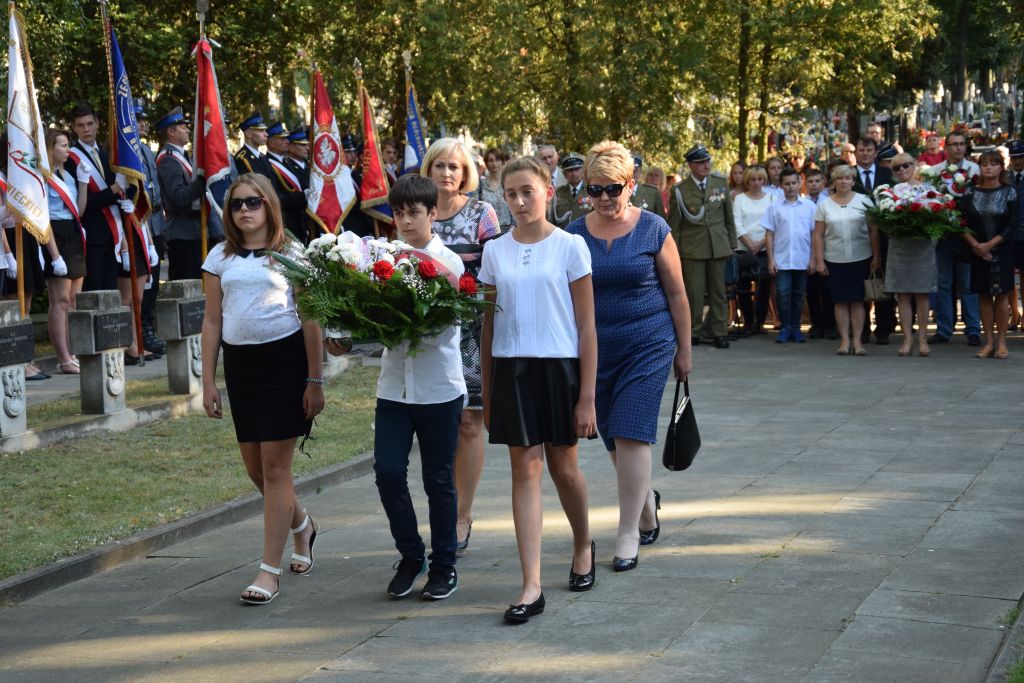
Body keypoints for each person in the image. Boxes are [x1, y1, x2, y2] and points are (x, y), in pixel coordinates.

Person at [328, 174, 466, 600]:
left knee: (438, 480)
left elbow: (444, 328)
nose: (405, 221)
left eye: (414, 213)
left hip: (439, 388)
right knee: (388, 473)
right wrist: (348, 335)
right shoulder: (380, 260)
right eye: (399, 213)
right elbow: (364, 317)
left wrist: (402, 319)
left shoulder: (449, 264)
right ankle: (411, 555)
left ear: (433, 213)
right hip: (393, 389)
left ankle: (444, 566)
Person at [478, 156, 597, 623]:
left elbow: (586, 326)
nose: (519, 201)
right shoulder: (494, 252)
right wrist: (488, 389)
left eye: (527, 191)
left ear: (547, 190)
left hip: (560, 368)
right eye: (511, 194)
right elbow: (488, 327)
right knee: (524, 469)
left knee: (564, 468)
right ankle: (531, 585)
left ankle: (583, 542)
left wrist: (587, 396)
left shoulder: (570, 246)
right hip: (512, 370)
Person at [566, 140, 692, 571]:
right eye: (594, 189)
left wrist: (685, 350)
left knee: (631, 431)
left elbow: (677, 294)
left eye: (612, 189)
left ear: (630, 185)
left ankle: (627, 533)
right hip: (596, 349)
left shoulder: (654, 228)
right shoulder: (574, 234)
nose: (603, 198)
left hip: (648, 343)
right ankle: (645, 505)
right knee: (611, 437)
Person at [201, 174, 325, 605]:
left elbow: (311, 317)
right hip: (242, 367)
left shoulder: (291, 253)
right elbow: (212, 320)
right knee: (256, 470)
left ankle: (268, 571)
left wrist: (315, 380)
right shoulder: (219, 256)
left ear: (269, 205)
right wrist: (208, 381)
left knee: (276, 469)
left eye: (253, 202)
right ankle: (303, 526)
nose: (244, 210)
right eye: (236, 204)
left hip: (285, 363)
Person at [421, 138, 501, 556]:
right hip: (426, 335)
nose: (447, 173)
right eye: (440, 165)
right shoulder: (418, 210)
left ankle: (461, 516)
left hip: (472, 333)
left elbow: (497, 272)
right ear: (428, 169)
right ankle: (440, 510)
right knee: (439, 424)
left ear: (465, 172)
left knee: (469, 422)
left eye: (454, 166)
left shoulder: (481, 213)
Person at [668, 144, 736, 348]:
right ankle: (693, 331)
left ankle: (719, 331)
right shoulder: (679, 190)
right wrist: (673, 254)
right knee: (694, 293)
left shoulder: (720, 184)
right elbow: (675, 225)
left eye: (707, 161)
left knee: (719, 292)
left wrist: (732, 243)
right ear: (691, 165)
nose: (706, 165)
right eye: (700, 163)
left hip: (718, 245)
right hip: (692, 249)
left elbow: (728, 218)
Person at [812, 164, 880, 356]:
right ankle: (844, 341)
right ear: (833, 182)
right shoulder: (824, 205)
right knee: (840, 301)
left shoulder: (864, 201)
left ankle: (857, 341)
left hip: (861, 257)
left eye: (848, 178)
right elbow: (818, 235)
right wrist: (819, 261)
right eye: (840, 178)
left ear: (853, 181)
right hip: (834, 259)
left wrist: (876, 256)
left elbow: (873, 231)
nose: (844, 181)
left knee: (858, 301)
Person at [959, 150, 1018, 359]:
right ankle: (989, 342)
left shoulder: (1010, 192)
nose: (989, 168)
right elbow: (960, 221)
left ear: (1001, 167)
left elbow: (1013, 224)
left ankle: (1002, 342)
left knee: (1002, 296)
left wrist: (990, 245)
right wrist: (976, 245)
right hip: (977, 250)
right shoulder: (970, 192)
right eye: (984, 164)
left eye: (993, 164)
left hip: (1003, 249)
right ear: (980, 168)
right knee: (983, 295)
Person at [65, 102, 127, 292]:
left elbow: (120, 192)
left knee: (111, 292)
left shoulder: (107, 155)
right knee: (95, 292)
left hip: (114, 233)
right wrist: (113, 191)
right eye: (81, 125)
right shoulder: (70, 160)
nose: (86, 129)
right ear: (74, 127)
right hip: (91, 235)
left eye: (90, 124)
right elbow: (81, 204)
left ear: (97, 124)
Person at [929, 131, 982, 346]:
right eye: (954, 144)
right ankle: (944, 329)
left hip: (968, 235)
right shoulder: (935, 172)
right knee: (943, 284)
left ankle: (973, 329)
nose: (958, 148)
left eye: (961, 144)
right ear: (946, 148)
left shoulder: (975, 170)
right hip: (943, 234)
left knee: (967, 284)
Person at [884, 153, 938, 357]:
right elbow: (883, 220)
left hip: (922, 247)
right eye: (896, 168)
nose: (901, 170)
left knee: (922, 294)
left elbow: (938, 218)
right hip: (899, 248)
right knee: (903, 295)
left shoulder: (929, 190)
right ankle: (907, 338)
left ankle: (922, 338)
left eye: (905, 165)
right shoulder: (889, 193)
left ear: (914, 165)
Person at [43, 129, 83, 374]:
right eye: (64, 145)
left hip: (73, 233)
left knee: (74, 301)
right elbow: (43, 218)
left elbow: (79, 209)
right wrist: (55, 255)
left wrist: (84, 184)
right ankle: (63, 358)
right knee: (59, 300)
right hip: (55, 235)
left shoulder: (67, 176)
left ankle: (73, 353)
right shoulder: (43, 177)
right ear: (51, 148)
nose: (68, 150)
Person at [763, 168, 815, 343]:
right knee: (782, 294)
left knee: (799, 295)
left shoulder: (809, 207)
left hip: (802, 258)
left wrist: (813, 259)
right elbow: (769, 234)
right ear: (781, 185)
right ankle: (785, 327)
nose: (791, 187)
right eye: (787, 183)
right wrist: (771, 259)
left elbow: (814, 234)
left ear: (800, 183)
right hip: (782, 259)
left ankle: (796, 328)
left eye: (794, 183)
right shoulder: (774, 207)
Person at [852, 136, 896, 345]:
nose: (865, 153)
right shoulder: (849, 175)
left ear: (875, 153)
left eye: (869, 150)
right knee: (860, 284)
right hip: (857, 235)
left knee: (883, 283)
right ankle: (862, 329)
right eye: (861, 150)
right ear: (856, 152)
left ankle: (884, 328)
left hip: (885, 236)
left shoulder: (887, 174)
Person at [155, 107, 207, 281]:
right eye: (183, 127)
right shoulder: (168, 159)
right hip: (182, 232)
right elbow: (178, 198)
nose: (188, 130)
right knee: (187, 282)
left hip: (192, 230)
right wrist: (202, 181)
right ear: (171, 132)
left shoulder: (182, 156)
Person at [136, 103, 167, 359]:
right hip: (139, 222)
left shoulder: (146, 149)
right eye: (137, 119)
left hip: (156, 222)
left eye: (143, 119)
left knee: (154, 280)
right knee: (143, 282)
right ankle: (142, 330)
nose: (142, 124)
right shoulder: (125, 150)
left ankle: (148, 325)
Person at [732, 165, 773, 335]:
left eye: (760, 179)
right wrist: (750, 244)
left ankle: (760, 322)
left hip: (765, 248)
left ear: (764, 180)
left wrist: (761, 243)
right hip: (743, 249)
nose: (756, 182)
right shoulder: (739, 199)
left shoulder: (771, 198)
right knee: (743, 285)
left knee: (764, 284)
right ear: (747, 181)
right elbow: (736, 223)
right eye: (753, 179)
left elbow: (773, 223)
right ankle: (748, 322)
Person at [803, 168, 836, 339]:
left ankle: (830, 325)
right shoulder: (802, 203)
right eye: (810, 181)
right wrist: (811, 258)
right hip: (808, 254)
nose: (814, 184)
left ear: (824, 183)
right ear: (805, 184)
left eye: (817, 181)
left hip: (827, 253)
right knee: (811, 291)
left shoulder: (829, 202)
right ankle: (816, 324)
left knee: (827, 291)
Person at [265, 121, 309, 245]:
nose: (287, 141)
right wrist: (303, 196)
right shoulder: (267, 163)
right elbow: (275, 196)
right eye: (282, 138)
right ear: (271, 142)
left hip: (299, 221)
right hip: (285, 223)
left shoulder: (286, 162)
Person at [550, 153, 590, 228]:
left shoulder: (591, 191)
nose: (574, 173)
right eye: (570, 170)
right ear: (564, 174)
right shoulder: (558, 193)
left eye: (577, 169)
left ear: (583, 171)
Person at [479, 147, 513, 231]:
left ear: (502, 162)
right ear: (486, 163)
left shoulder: (509, 183)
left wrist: (513, 227)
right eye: (491, 160)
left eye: (497, 160)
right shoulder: (481, 185)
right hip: (488, 230)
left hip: (508, 229)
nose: (494, 163)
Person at [232, 112, 272, 179]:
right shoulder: (242, 159)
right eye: (261, 130)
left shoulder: (262, 156)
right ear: (249, 133)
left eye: (265, 130)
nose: (266, 134)